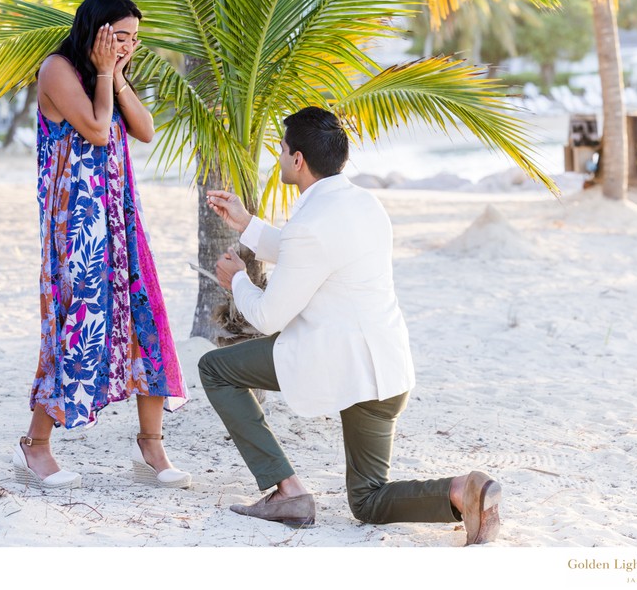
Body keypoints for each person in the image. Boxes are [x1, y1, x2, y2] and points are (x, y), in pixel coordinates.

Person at [200, 106, 501, 543]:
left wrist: (238, 281)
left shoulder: (309, 223)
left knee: (215, 369)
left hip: (338, 363)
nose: (280, 158)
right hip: (388, 370)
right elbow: (313, 254)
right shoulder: (365, 203)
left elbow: (268, 317)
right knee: (368, 500)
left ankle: (288, 490)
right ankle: (461, 490)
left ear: (298, 160)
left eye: (282, 150)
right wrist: (248, 225)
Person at [14, 0, 190, 491]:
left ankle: (150, 444)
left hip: (119, 217)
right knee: (79, 325)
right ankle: (36, 444)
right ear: (96, 30)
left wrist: (114, 73)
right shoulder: (57, 71)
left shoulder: (107, 76)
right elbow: (94, 129)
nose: (129, 45)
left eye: (135, 38)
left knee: (144, 318)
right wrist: (107, 74)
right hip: (77, 226)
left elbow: (146, 129)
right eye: (121, 36)